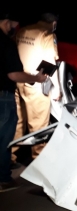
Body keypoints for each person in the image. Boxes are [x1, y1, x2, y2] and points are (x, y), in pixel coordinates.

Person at [0, 12, 47, 192]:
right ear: (7, 22)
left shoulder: (19, 37)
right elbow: (14, 74)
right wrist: (36, 78)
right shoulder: (6, 43)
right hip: (4, 95)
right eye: (13, 25)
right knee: (4, 137)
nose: (14, 29)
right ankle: (4, 179)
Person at [11, 13, 61, 167]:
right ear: (53, 23)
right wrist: (57, 89)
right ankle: (39, 159)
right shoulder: (47, 35)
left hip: (18, 80)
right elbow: (50, 63)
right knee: (39, 124)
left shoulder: (23, 31)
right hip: (35, 83)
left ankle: (9, 157)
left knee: (17, 122)